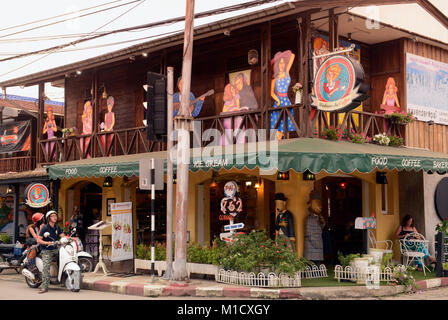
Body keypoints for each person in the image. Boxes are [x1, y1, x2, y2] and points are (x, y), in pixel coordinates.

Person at [37, 210, 70, 294]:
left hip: (55, 249)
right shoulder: (45, 228)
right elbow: (39, 239)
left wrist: (71, 238)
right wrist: (47, 243)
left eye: (55, 216)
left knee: (67, 257)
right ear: (49, 218)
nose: (55, 217)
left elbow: (62, 236)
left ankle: (63, 278)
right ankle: (44, 286)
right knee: (46, 267)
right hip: (46, 250)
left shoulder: (57, 227)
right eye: (53, 216)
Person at [270, 50, 295, 140]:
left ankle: (285, 143)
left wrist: (281, 56)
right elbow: (271, 93)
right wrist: (277, 100)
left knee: (286, 125)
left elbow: (292, 55)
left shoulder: (287, 73)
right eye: (279, 63)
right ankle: (277, 143)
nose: (281, 65)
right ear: (277, 65)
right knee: (277, 126)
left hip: (286, 100)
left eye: (283, 63)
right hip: (279, 101)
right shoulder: (274, 79)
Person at [304, 191, 325, 263]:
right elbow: (308, 233)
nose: (319, 207)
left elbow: (321, 227)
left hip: (317, 243)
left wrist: (322, 221)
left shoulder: (319, 217)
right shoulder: (309, 219)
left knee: (317, 265)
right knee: (312, 264)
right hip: (312, 246)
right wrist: (317, 243)